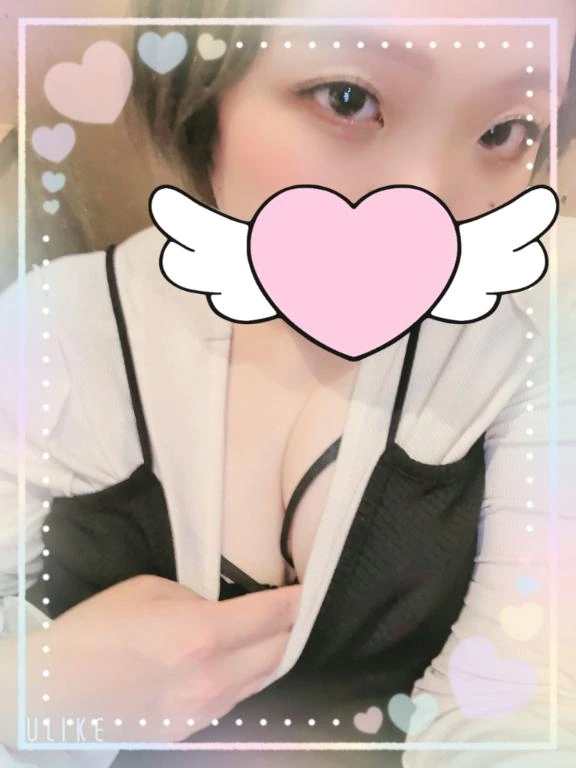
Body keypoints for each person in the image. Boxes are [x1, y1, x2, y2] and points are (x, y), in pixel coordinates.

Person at [1, 1, 575, 767]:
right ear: (207, 93)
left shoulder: (528, 332)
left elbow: (525, 700)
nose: (429, 213)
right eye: (348, 98)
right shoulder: (58, 336)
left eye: (506, 132)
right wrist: (31, 698)